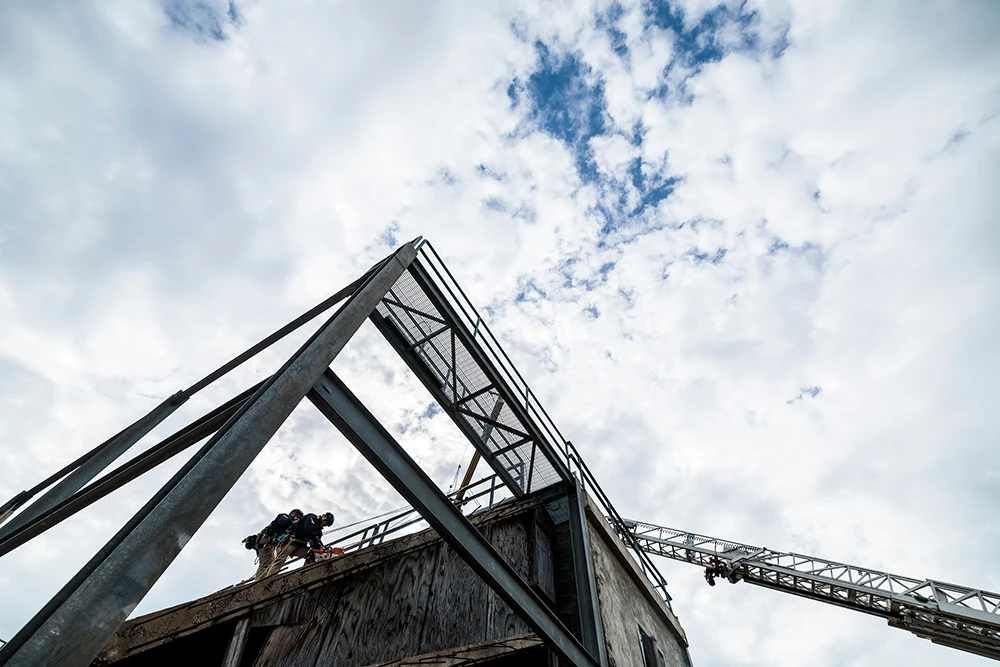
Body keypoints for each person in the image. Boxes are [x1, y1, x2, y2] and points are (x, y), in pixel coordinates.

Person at [266, 511, 335, 577]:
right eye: (325, 520)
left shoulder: (319, 532)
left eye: (326, 523)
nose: (325, 523)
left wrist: (322, 547)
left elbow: (317, 542)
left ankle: (303, 575)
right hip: (291, 542)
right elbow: (307, 529)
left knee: (313, 555)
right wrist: (315, 540)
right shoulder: (312, 517)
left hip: (300, 546)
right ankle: (267, 580)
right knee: (279, 561)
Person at [242, 509, 303, 582]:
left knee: (270, 563)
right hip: (267, 542)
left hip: (269, 544)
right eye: (295, 515)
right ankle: (259, 582)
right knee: (266, 564)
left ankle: (262, 579)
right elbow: (282, 522)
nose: (295, 517)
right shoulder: (284, 517)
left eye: (298, 517)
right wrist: (294, 523)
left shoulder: (290, 527)